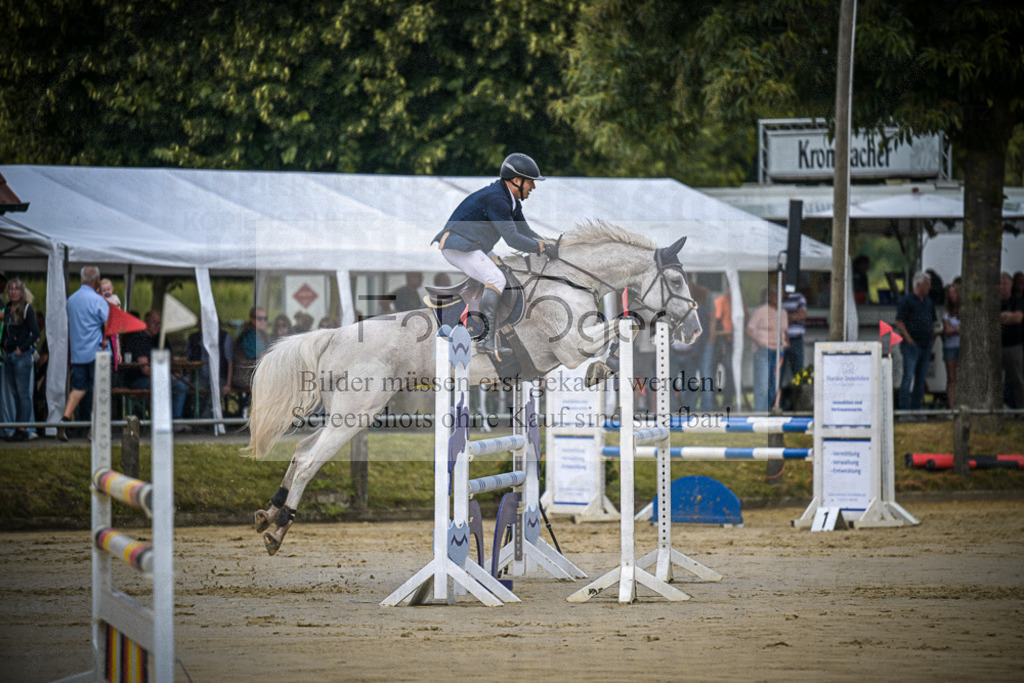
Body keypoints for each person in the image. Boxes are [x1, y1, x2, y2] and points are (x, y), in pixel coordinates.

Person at [432, 152, 556, 355]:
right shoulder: (497, 199)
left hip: (474, 244)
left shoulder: (510, 200)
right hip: (459, 246)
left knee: (504, 271)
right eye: (530, 182)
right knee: (496, 279)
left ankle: (491, 327)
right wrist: (541, 248)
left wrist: (545, 243)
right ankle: (486, 339)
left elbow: (525, 231)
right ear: (516, 180)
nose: (533, 187)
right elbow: (513, 239)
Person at [58, 266, 110, 440]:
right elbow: (109, 325)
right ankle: (96, 430)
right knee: (99, 390)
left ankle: (64, 421)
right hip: (97, 353)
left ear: (82, 280)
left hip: (78, 353)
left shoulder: (71, 300)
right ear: (96, 281)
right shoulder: (98, 300)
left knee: (78, 388)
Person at [121, 311, 190, 422]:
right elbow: (145, 369)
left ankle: (184, 417)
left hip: (155, 378)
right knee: (180, 385)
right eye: (154, 323)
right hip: (138, 380)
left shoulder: (159, 338)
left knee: (187, 382)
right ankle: (174, 420)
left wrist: (174, 373)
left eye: (159, 323)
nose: (157, 326)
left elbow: (170, 359)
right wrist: (166, 375)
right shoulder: (139, 338)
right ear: (146, 322)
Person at [1, 278, 41, 441]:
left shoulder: (26, 309)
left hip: (21, 356)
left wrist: (21, 348)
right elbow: (6, 331)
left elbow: (36, 332)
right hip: (9, 356)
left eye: (16, 289)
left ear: (22, 292)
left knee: (23, 394)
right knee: (16, 395)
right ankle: (19, 427)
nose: (13, 292)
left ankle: (23, 429)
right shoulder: (8, 310)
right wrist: (4, 346)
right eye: (10, 289)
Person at [893, 272, 936, 410]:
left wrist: (932, 338)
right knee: (908, 377)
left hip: (925, 345)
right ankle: (905, 408)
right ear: (918, 285)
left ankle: (916, 408)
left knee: (920, 379)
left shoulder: (929, 301)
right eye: (927, 284)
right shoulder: (907, 300)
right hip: (912, 346)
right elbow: (899, 322)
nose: (929, 287)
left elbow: (932, 321)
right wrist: (909, 339)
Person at [746, 287, 788, 413]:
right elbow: (748, 330)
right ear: (768, 297)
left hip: (779, 351)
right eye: (774, 295)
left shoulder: (783, 312)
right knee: (762, 384)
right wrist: (760, 343)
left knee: (774, 384)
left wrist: (786, 343)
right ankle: (760, 414)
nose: (776, 298)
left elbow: (784, 331)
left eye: (778, 295)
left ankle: (772, 412)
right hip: (764, 350)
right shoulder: (761, 311)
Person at [186, 317, 233, 419]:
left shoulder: (224, 337)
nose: (201, 327)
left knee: (216, 392)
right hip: (200, 376)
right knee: (195, 393)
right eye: (200, 324)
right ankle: (199, 418)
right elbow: (188, 361)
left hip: (219, 376)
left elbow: (230, 362)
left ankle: (204, 420)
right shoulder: (194, 338)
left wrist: (228, 384)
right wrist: (189, 378)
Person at [1000, 272, 1024, 408]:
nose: (1002, 287)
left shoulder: (1018, 301)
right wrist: (1008, 317)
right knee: (997, 381)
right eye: (1000, 284)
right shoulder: (994, 302)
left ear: (1010, 286)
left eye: (1005, 283)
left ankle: (1021, 410)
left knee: (1018, 380)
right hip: (998, 346)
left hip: (1014, 346)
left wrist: (1004, 318)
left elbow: (1018, 318)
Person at [233, 306, 269, 390]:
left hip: (253, 374)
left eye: (265, 318)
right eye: (259, 318)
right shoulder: (249, 335)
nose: (263, 321)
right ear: (251, 319)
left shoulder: (261, 334)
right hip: (244, 377)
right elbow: (263, 357)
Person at [941, 282, 961, 409]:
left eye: (954, 292)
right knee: (951, 377)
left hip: (962, 346)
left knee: (962, 376)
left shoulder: (965, 310)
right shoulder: (946, 311)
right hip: (950, 347)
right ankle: (952, 407)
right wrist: (958, 329)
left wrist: (953, 329)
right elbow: (947, 330)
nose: (952, 295)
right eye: (950, 293)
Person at [781, 289, 808, 378]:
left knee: (798, 372)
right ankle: (777, 392)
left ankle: (799, 392)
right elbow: (773, 317)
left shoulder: (799, 297)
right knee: (778, 373)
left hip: (796, 340)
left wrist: (783, 318)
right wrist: (793, 317)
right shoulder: (776, 297)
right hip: (780, 340)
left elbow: (802, 315)